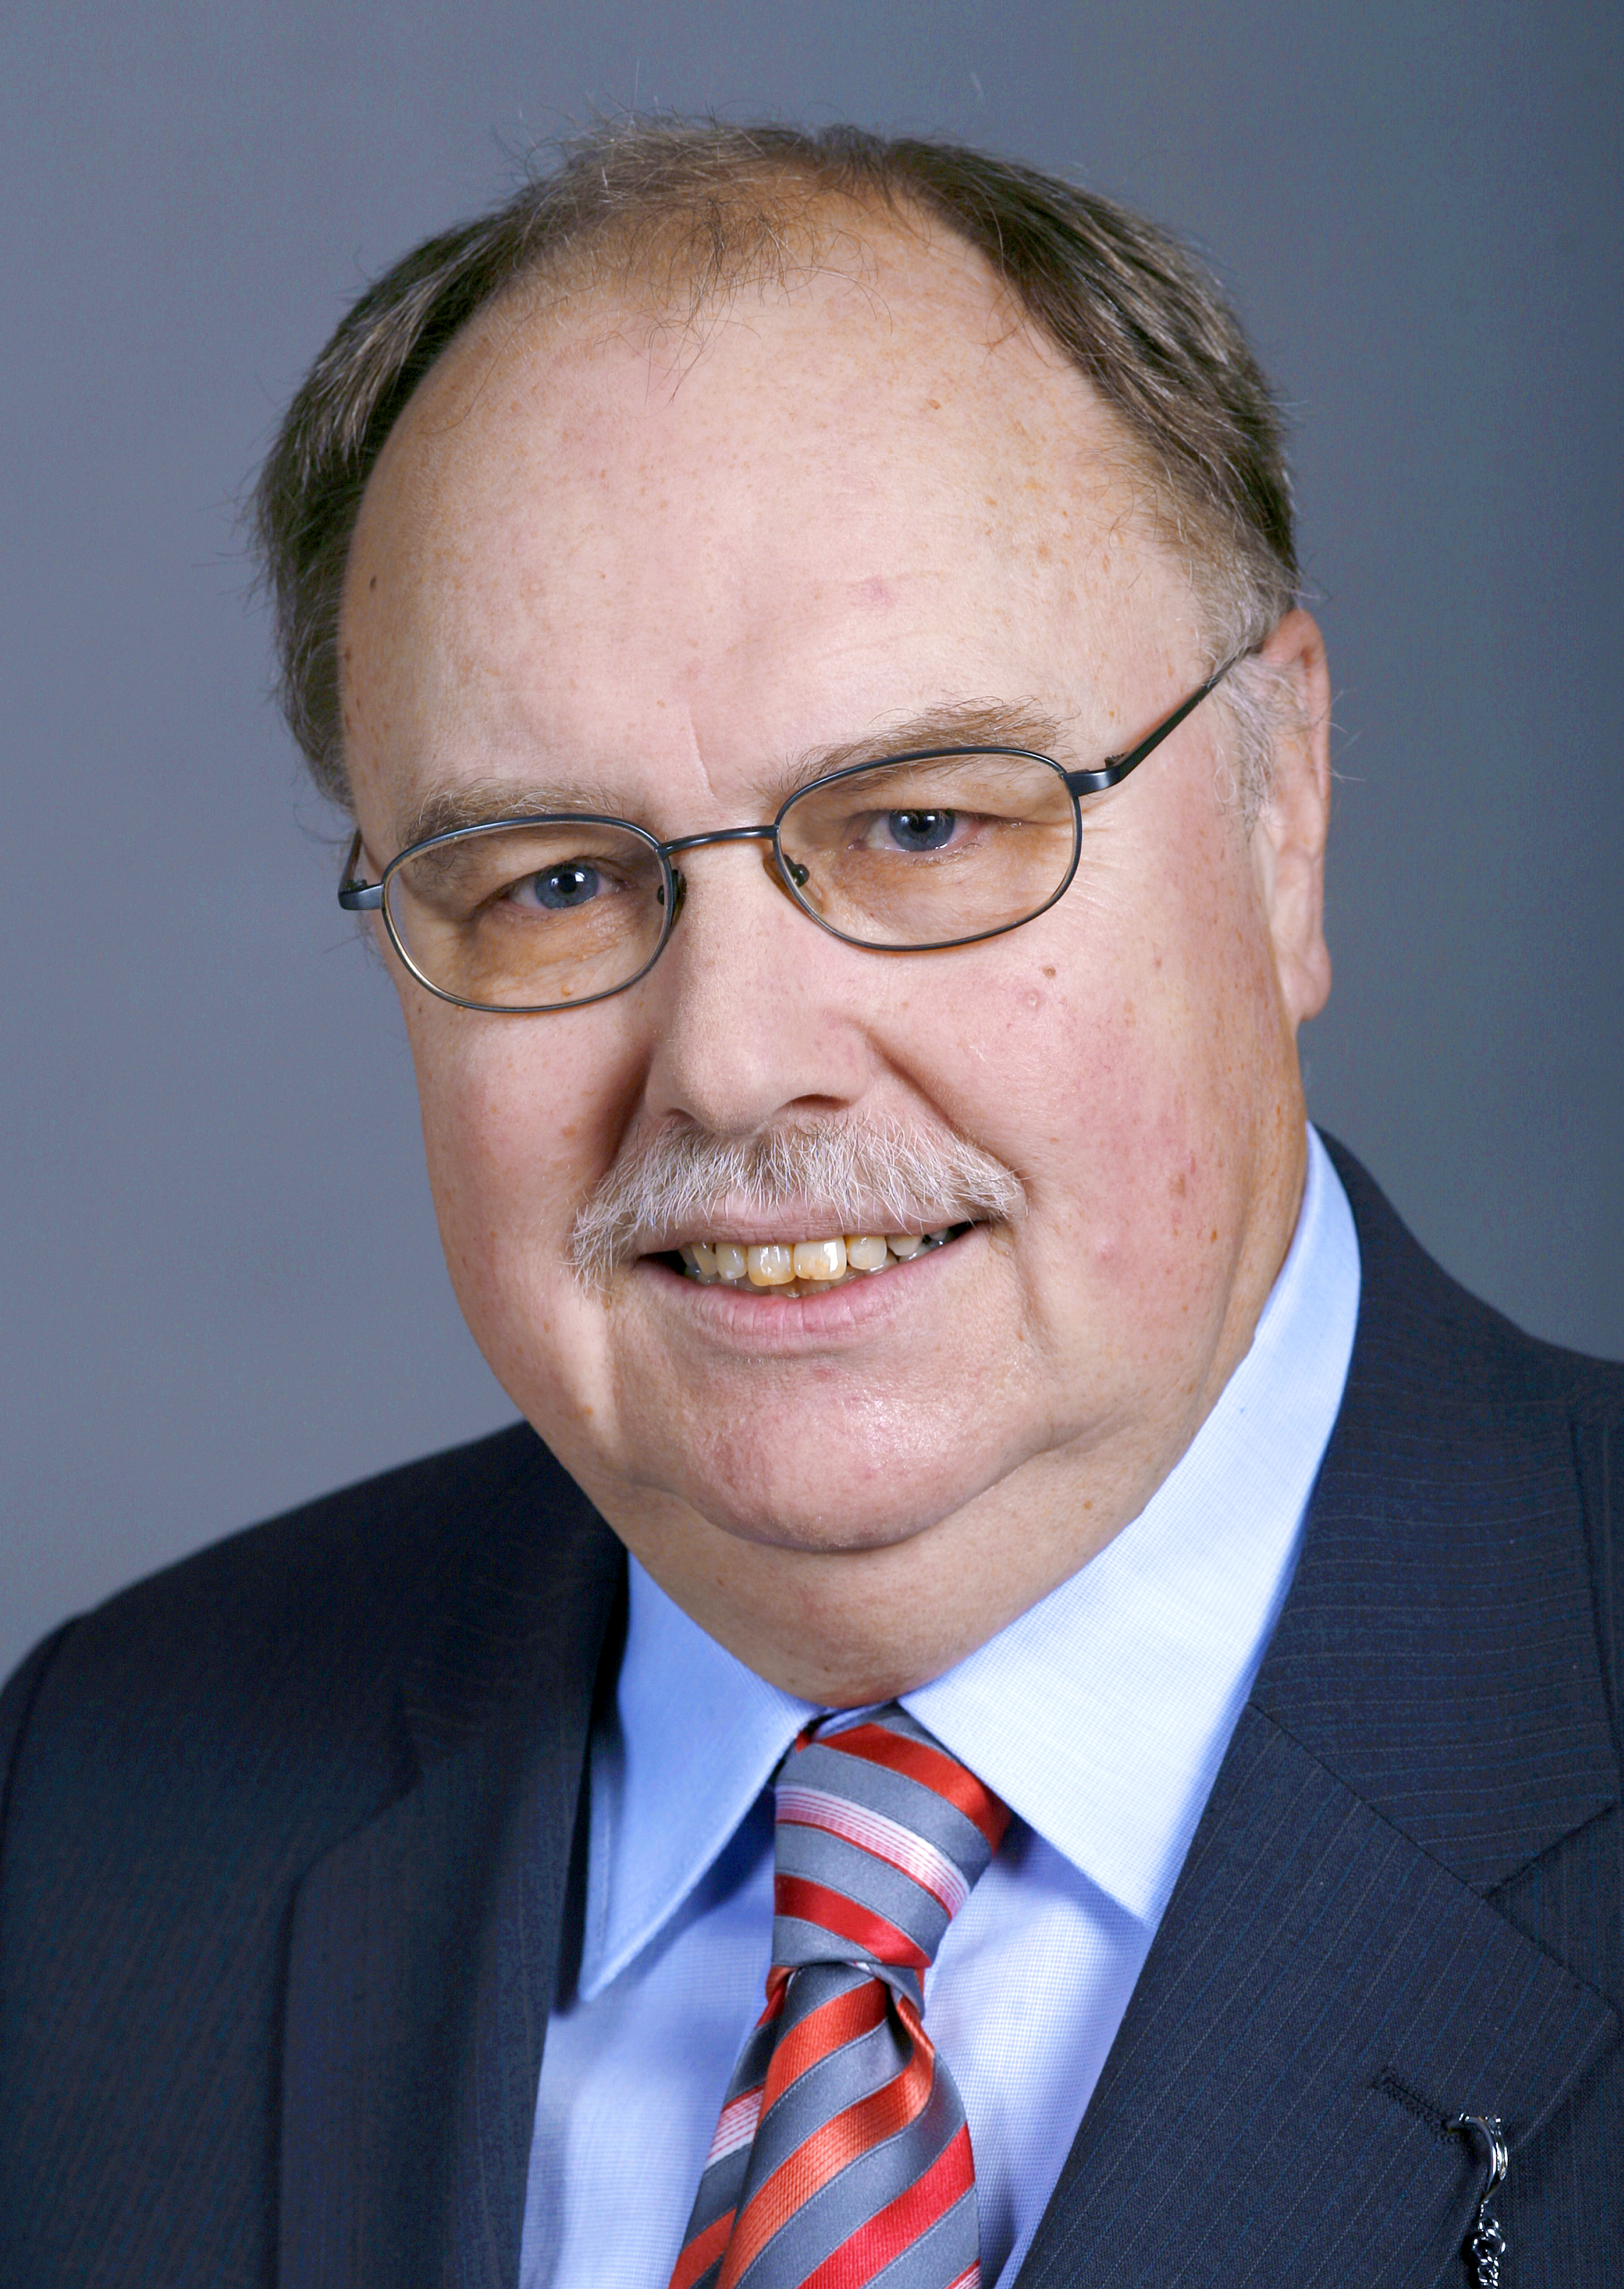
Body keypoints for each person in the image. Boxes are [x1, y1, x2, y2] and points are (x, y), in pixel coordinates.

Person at [1, 123, 1618, 2289]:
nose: (739, 1058)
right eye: (554, 880)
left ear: (1285, 808)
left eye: (923, 824)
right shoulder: (97, 1819)